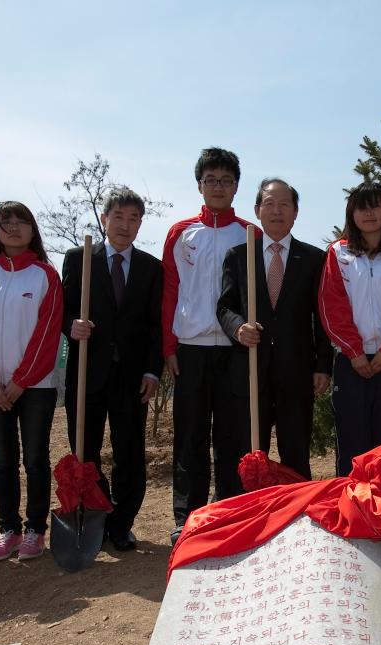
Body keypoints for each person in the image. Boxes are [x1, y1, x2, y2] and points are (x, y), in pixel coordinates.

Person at [0, 201, 63, 561]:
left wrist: (21, 380)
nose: (14, 227)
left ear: (33, 229)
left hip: (35, 387)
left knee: (35, 459)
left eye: (22, 221)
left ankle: (36, 530)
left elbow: (48, 333)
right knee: (3, 461)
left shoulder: (45, 275)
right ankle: (9, 529)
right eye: (6, 222)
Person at [61, 187, 163, 551]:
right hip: (88, 370)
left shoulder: (152, 268)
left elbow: (156, 326)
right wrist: (72, 326)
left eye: (133, 218)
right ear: (105, 219)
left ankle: (122, 522)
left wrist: (152, 371)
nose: (125, 225)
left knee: (129, 452)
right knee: (84, 449)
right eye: (118, 217)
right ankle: (96, 513)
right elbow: (63, 309)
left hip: (132, 376)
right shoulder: (79, 259)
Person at [162, 148, 251, 545]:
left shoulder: (250, 233)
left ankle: (229, 509)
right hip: (191, 348)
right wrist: (168, 348)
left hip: (235, 350)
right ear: (199, 184)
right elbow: (169, 291)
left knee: (233, 436)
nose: (218, 187)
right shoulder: (181, 233)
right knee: (190, 435)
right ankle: (189, 515)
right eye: (211, 179)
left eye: (226, 180)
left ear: (236, 187)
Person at [217, 178, 332, 477]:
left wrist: (323, 365)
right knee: (250, 453)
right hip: (251, 369)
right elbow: (224, 307)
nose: (277, 211)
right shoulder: (239, 256)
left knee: (296, 452)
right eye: (269, 203)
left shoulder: (313, 259)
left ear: (295, 212)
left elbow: (321, 317)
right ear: (257, 210)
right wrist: (238, 328)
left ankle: (297, 516)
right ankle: (251, 516)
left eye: (284, 204)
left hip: (296, 371)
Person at [317, 182, 381, 475]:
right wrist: (355, 352)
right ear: (352, 213)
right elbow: (332, 307)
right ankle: (352, 510)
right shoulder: (338, 253)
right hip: (352, 364)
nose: (369, 213)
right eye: (362, 207)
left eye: (376, 205)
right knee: (353, 444)